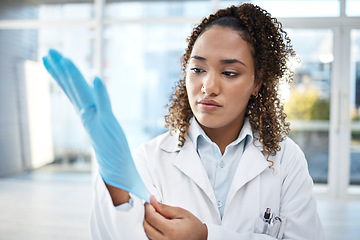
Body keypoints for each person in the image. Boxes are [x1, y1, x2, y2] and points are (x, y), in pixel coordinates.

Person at [43, 3, 325, 240]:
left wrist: (206, 235)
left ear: (257, 83)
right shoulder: (151, 159)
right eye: (198, 69)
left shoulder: (285, 159)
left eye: (229, 73)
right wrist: (114, 184)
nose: (208, 86)